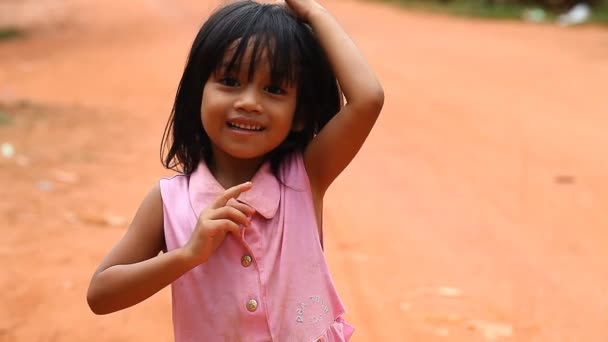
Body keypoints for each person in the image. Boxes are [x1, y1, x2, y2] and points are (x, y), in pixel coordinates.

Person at [86, 0, 384, 340]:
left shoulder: (305, 176)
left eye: (274, 89)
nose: (248, 102)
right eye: (229, 80)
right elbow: (101, 294)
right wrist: (187, 255)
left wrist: (314, 13)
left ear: (299, 114)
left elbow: (368, 98)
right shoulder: (169, 201)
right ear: (198, 94)